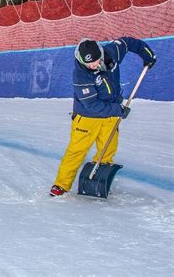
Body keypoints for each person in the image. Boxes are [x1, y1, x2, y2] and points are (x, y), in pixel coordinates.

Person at [50, 37, 157, 197]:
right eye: (89, 63)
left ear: (101, 53)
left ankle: (101, 180)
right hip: (87, 118)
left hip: (110, 116)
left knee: (107, 149)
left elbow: (128, 43)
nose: (93, 65)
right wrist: (117, 109)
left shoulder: (112, 51)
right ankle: (61, 185)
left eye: (96, 61)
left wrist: (147, 54)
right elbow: (92, 105)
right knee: (76, 151)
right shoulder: (81, 74)